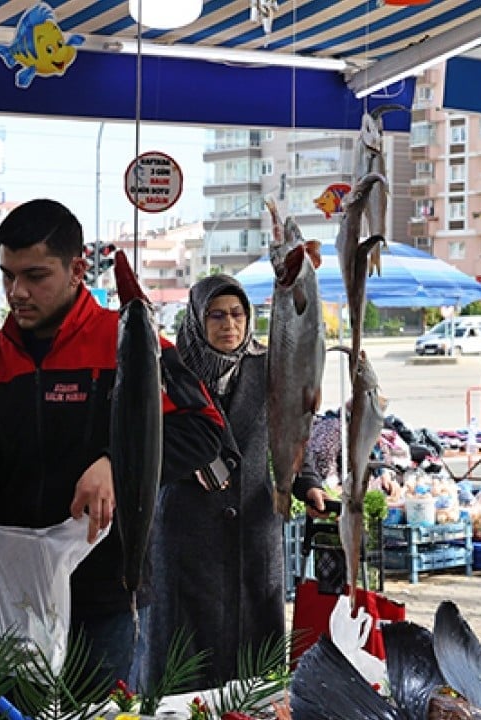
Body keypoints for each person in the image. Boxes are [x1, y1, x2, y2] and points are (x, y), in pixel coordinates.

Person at [0, 199, 231, 693]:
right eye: (7, 275)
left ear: (77, 269)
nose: (17, 292)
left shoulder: (130, 343)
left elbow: (207, 429)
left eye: (35, 276)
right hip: (12, 591)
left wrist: (117, 464)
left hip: (105, 589)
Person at [166, 274, 326, 689]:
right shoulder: (170, 368)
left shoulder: (270, 366)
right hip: (186, 531)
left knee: (254, 665)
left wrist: (307, 482)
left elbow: (290, 435)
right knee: (188, 663)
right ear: (197, 319)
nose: (228, 325)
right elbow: (144, 438)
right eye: (216, 315)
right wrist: (186, 463)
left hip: (253, 530)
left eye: (237, 314)